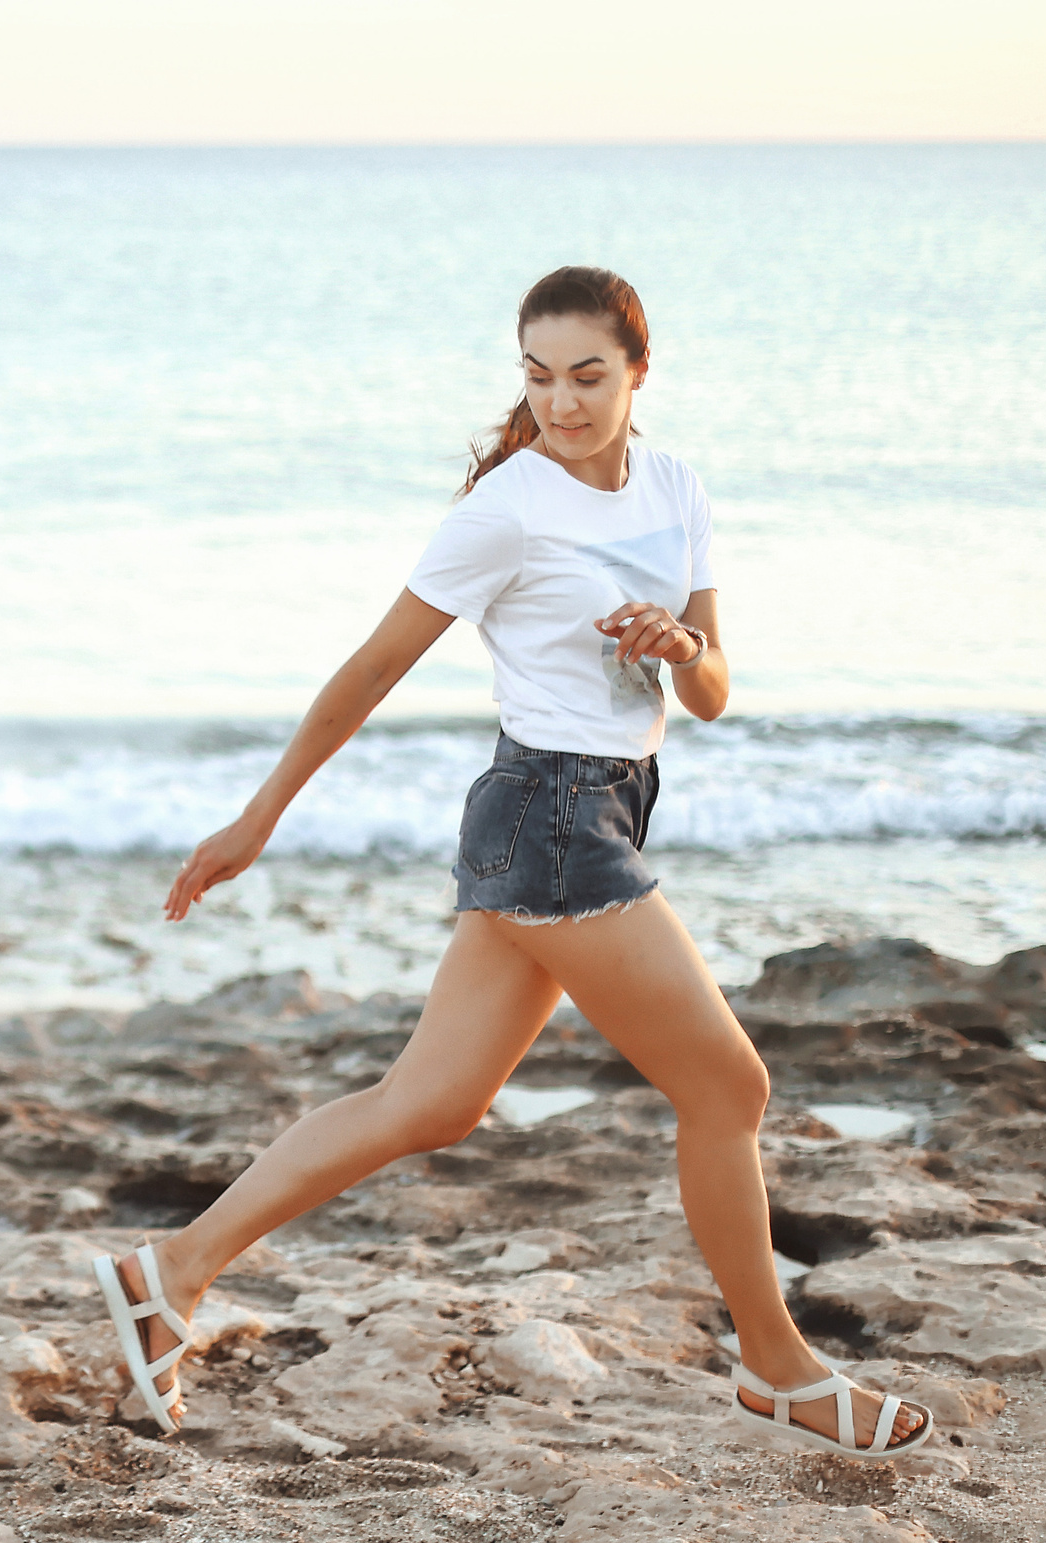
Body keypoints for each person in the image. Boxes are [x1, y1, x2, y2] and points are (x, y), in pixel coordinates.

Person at [93, 266, 927, 1462]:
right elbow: (370, 669)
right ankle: (776, 1367)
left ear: (639, 369)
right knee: (727, 1088)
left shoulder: (677, 489)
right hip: (548, 814)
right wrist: (258, 814)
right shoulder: (508, 508)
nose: (562, 402)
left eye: (588, 375)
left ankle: (170, 1268)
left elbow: (711, 694)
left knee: (429, 1105)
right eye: (537, 376)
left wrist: (681, 644)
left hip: (611, 804)